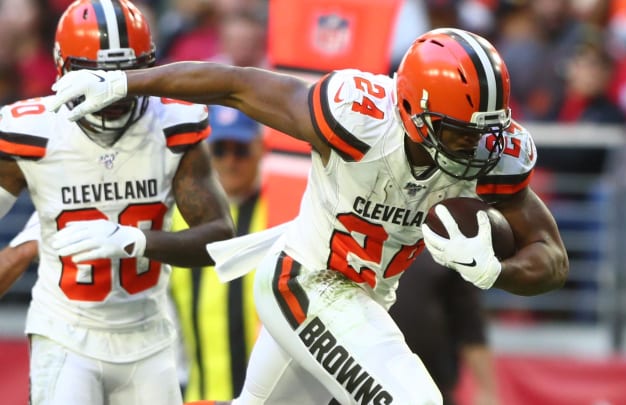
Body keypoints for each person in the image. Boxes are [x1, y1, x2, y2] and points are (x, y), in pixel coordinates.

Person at [50, 27, 569, 405]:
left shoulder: (490, 154)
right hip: (303, 281)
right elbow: (235, 84)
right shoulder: (361, 119)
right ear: (414, 112)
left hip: (362, 300)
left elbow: (552, 258)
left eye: (487, 131)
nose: (477, 146)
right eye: (460, 131)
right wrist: (126, 84)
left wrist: (496, 271)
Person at [0, 0, 234, 404]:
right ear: (62, 66)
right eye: (94, 75)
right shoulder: (32, 130)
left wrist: (137, 242)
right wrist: (24, 248)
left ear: (148, 66)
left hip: (149, 334)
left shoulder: (173, 123)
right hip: (66, 333)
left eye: (125, 73)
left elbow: (218, 239)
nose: (108, 90)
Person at [170, 105, 265, 402]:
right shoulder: (179, 217)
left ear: (260, 149)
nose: (230, 161)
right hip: (199, 395)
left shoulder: (279, 213)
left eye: (241, 150)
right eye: (220, 149)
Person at [388, 250, 500, 405]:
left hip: (433, 385)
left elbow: (470, 325)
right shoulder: (360, 242)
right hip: (366, 382)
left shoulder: (446, 245)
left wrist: (486, 390)